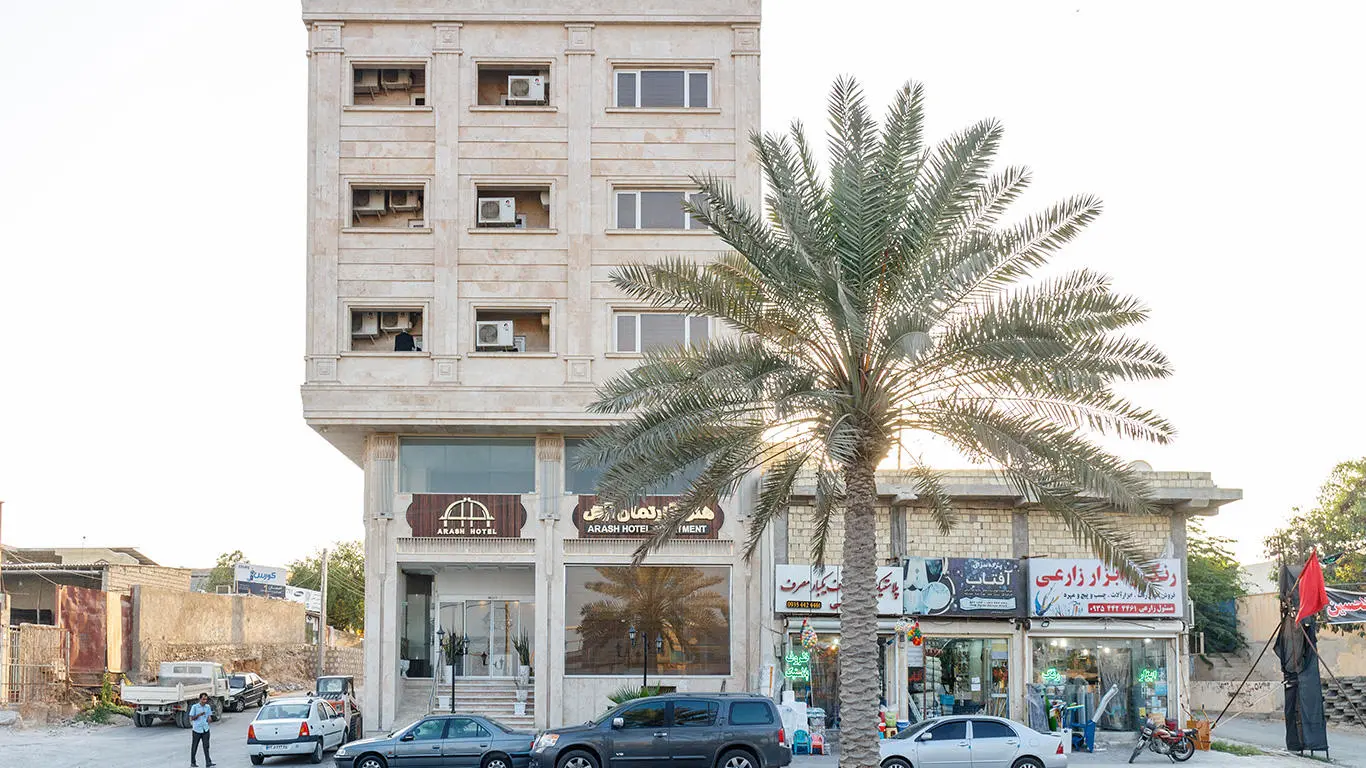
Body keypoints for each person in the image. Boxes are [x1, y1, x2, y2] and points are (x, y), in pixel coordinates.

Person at [189, 692, 216, 767]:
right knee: (195, 746)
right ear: (200, 699)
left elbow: (209, 716)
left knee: (206, 746)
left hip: (205, 729)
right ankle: (193, 762)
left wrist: (209, 719)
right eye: (203, 699)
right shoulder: (195, 707)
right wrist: (198, 715)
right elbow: (191, 718)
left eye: (206, 699)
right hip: (197, 729)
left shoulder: (207, 707)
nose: (204, 701)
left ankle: (208, 762)